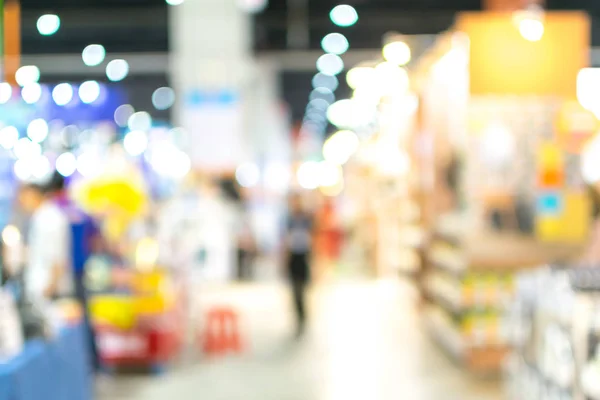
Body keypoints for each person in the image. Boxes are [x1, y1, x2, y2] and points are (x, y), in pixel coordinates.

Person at [18, 183, 72, 302]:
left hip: (48, 290)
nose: (21, 203)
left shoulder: (50, 219)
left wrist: (50, 287)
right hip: (41, 287)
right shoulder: (39, 217)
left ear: (33, 195)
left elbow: (57, 256)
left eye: (23, 198)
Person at [285, 194, 313, 337]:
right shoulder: (289, 220)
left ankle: (303, 317)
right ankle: (298, 318)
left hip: (304, 258)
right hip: (293, 259)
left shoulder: (307, 219)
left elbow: (313, 239)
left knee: (303, 291)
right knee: (295, 292)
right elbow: (286, 241)